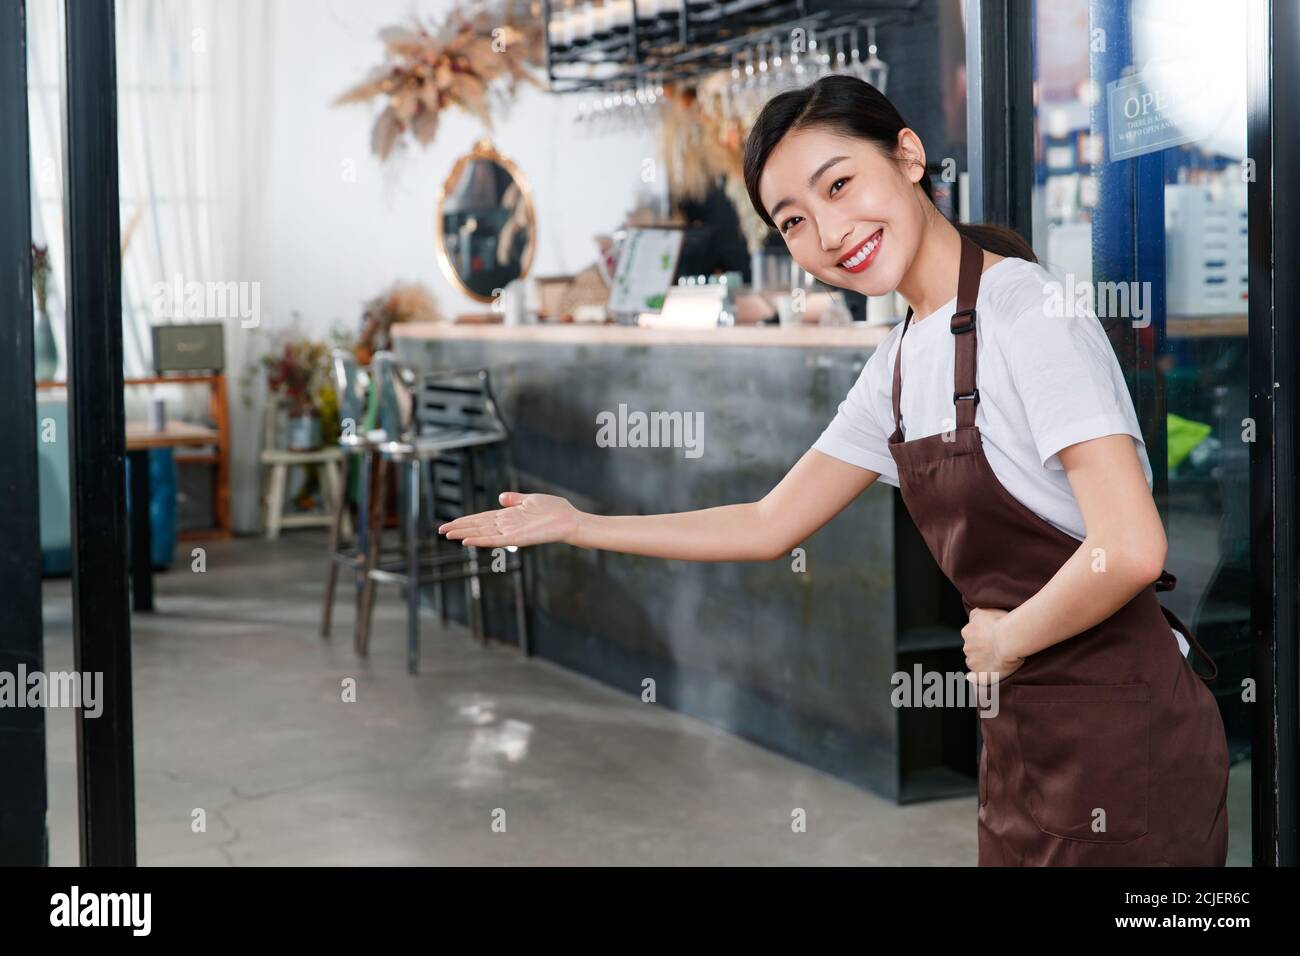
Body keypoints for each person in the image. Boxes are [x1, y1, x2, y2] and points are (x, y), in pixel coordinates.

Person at [437, 74, 1230, 866]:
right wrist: (579, 523)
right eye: (795, 220)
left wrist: (1005, 641)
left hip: (1128, 746)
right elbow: (765, 523)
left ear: (909, 157)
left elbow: (1128, 548)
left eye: (841, 184)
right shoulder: (897, 362)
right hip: (1025, 740)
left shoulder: (1028, 315)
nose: (830, 232)